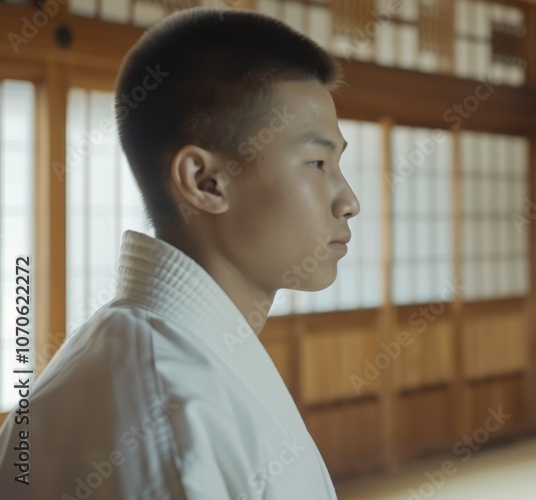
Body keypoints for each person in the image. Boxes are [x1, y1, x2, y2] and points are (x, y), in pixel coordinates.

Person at [0, 7, 357, 499]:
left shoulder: (165, 352)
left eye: (338, 163)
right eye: (316, 163)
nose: (350, 201)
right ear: (204, 182)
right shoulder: (168, 407)